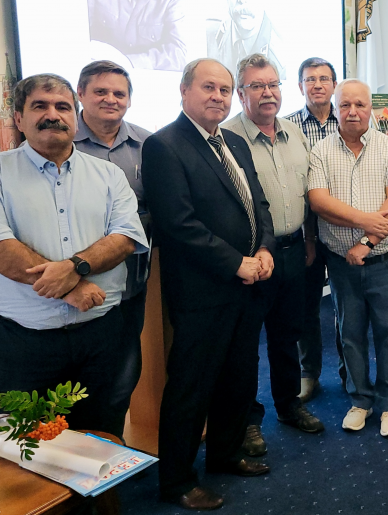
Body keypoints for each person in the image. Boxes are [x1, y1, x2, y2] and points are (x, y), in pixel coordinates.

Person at [0, 73, 148, 437]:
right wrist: (71, 289)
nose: (52, 114)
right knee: (20, 444)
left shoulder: (109, 175)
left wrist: (75, 267)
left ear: (75, 117)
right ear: (18, 118)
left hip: (102, 336)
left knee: (101, 437)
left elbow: (126, 237)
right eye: (40, 106)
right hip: (25, 344)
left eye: (62, 107)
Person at [142, 58, 276, 510]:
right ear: (184, 91)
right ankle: (177, 481)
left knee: (238, 379)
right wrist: (236, 263)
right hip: (203, 292)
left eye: (223, 89)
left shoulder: (233, 141)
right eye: (208, 88)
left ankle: (225, 454)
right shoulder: (164, 145)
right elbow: (178, 224)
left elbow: (258, 205)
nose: (217, 96)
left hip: (249, 284)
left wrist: (265, 249)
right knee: (191, 388)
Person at [224, 53, 324, 457]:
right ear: (240, 93)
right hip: (251, 259)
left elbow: (307, 193)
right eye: (257, 86)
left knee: (287, 336)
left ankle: (288, 405)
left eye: (273, 84)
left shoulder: (294, 133)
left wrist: (310, 239)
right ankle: (248, 420)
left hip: (294, 250)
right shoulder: (226, 138)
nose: (268, 93)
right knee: (245, 345)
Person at [307, 79, 388, 437]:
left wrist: (366, 241)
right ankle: (360, 401)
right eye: (345, 105)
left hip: (385, 260)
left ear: (371, 109)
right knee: (349, 334)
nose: (353, 112)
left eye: (360, 105)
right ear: (335, 109)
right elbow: (319, 202)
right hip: (340, 263)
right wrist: (366, 221)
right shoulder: (321, 151)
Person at [73, 60, 153, 439]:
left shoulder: (148, 145)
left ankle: (109, 448)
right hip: (75, 288)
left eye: (119, 93)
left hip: (131, 287)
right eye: (100, 91)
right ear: (81, 94)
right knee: (74, 387)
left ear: (129, 100)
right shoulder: (60, 144)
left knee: (122, 378)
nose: (111, 99)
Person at [286, 57, 342, 401]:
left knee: (347, 305)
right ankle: (309, 373)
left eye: (324, 78)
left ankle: (350, 370)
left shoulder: (351, 118)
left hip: (345, 229)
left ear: (334, 84)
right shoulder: (287, 127)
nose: (317, 85)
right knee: (306, 307)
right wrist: (308, 236)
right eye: (310, 79)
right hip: (305, 232)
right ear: (300, 86)